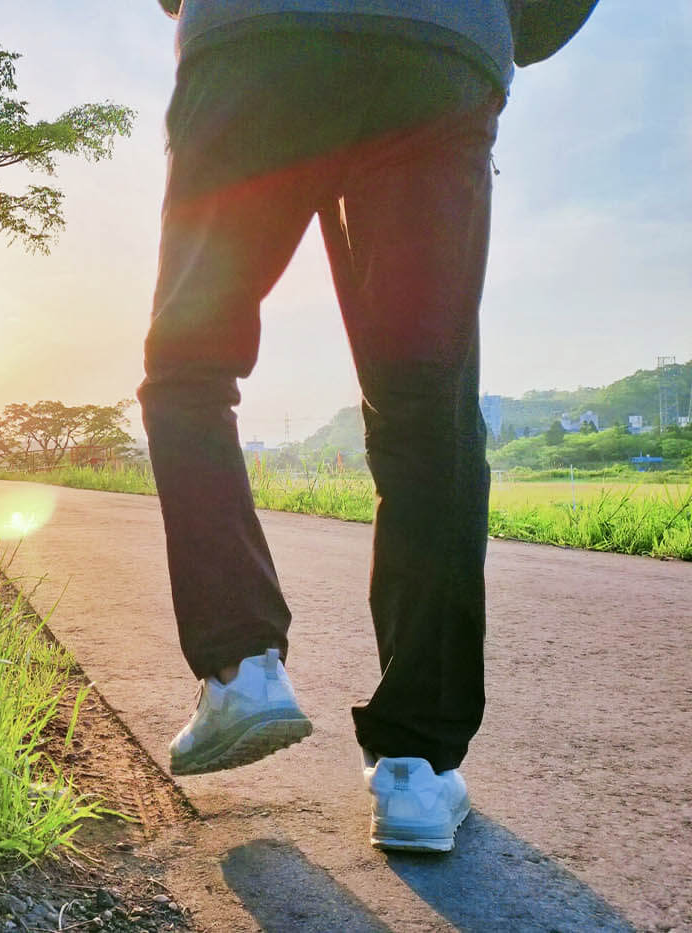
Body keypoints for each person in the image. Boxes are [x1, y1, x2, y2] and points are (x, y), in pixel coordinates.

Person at [141, 0, 597, 853]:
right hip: (439, 53)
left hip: (258, 38)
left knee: (190, 365)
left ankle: (241, 666)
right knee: (429, 407)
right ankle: (417, 770)